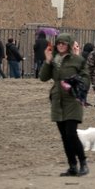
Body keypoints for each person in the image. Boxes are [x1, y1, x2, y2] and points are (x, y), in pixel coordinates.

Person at [39, 34, 88, 176]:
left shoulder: (77, 60)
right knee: (64, 136)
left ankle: (83, 163)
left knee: (71, 133)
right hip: (57, 101)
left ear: (69, 45)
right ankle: (72, 165)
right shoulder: (54, 60)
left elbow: (86, 78)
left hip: (72, 100)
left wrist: (76, 84)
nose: (61, 45)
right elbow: (43, 77)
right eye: (59, 43)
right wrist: (47, 61)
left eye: (64, 43)